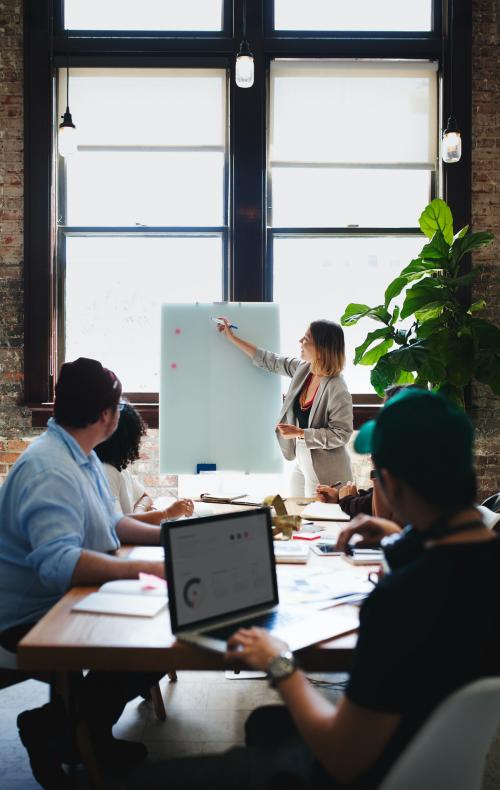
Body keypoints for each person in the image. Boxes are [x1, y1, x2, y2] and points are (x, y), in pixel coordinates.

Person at [129, 388, 500, 790]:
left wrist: (279, 663)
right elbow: (451, 577)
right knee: (266, 724)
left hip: (369, 770)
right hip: (435, 754)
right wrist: (393, 532)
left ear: (388, 482)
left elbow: (343, 759)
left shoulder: (399, 601)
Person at [0, 358, 167, 789]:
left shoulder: (80, 453)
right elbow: (60, 565)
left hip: (68, 598)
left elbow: (113, 523)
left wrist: (168, 538)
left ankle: (84, 733)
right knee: (151, 642)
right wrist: (142, 568)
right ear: (107, 416)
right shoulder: (50, 468)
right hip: (31, 616)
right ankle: (55, 730)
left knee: (168, 630)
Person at [217, 317, 353, 496]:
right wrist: (232, 338)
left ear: (321, 348)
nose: (300, 342)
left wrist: (300, 433)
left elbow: (342, 434)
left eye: (307, 339)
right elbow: (270, 360)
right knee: (294, 511)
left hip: (326, 470)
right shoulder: (304, 370)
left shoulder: (337, 387)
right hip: (303, 459)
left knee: (316, 520)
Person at [95, 400, 194, 522]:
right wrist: (167, 513)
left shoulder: (119, 466)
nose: (138, 443)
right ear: (126, 439)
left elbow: (145, 497)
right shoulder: (106, 471)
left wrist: (140, 513)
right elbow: (118, 524)